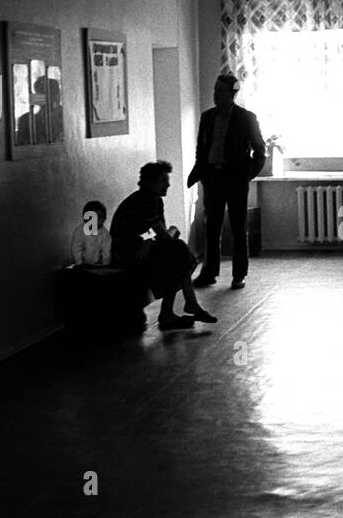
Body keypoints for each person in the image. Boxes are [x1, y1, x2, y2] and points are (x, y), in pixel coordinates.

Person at [111, 160, 217, 330]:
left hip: (139, 246)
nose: (168, 184)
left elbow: (164, 238)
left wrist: (156, 239)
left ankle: (179, 309)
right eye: (163, 181)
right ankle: (181, 308)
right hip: (125, 251)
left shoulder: (155, 201)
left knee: (177, 252)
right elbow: (165, 237)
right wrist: (162, 236)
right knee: (178, 251)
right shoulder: (143, 201)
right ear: (149, 183)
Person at [188, 74, 266, 290]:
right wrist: (202, 172)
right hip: (213, 177)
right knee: (211, 227)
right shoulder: (208, 117)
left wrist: (247, 175)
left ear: (231, 94)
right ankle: (209, 272)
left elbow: (260, 151)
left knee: (239, 227)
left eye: (219, 91)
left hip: (236, 179)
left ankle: (239, 275)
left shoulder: (246, 118)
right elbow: (201, 149)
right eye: (214, 90)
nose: (215, 94)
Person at [70, 200, 113, 267]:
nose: (96, 220)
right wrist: (79, 264)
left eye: (100, 217)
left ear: (105, 219)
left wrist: (105, 265)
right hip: (82, 263)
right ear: (85, 218)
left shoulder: (105, 235)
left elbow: (106, 251)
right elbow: (76, 248)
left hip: (98, 264)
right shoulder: (79, 231)